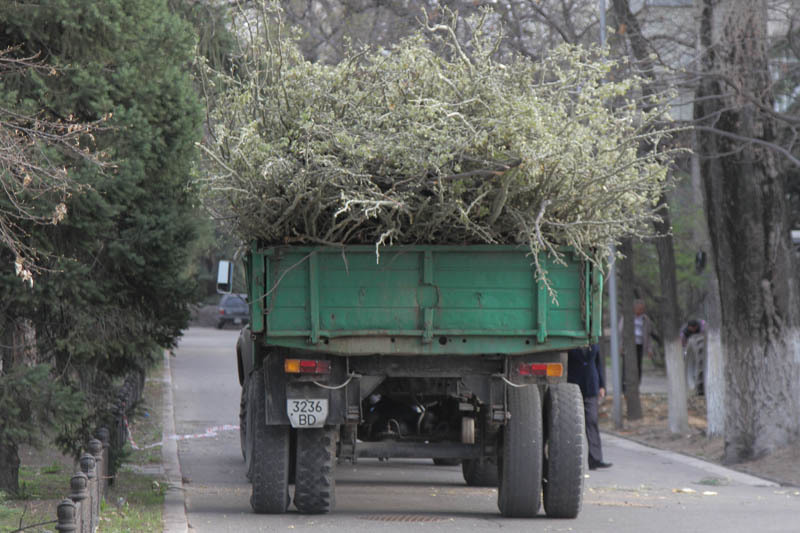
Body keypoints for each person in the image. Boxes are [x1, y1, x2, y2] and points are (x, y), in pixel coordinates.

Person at [567, 344, 612, 470]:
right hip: (573, 386)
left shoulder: (594, 343)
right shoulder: (571, 343)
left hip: (591, 386)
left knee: (592, 421)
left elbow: (598, 364)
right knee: (571, 425)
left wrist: (602, 385)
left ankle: (595, 459)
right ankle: (570, 460)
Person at [618, 299, 654, 383]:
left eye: (642, 309)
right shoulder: (627, 317)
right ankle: (624, 384)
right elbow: (621, 331)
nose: (640, 311)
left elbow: (649, 335)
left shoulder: (646, 319)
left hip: (640, 345)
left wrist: (650, 349)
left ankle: (637, 383)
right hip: (629, 345)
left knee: (638, 365)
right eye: (639, 308)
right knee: (626, 365)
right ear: (634, 308)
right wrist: (621, 346)